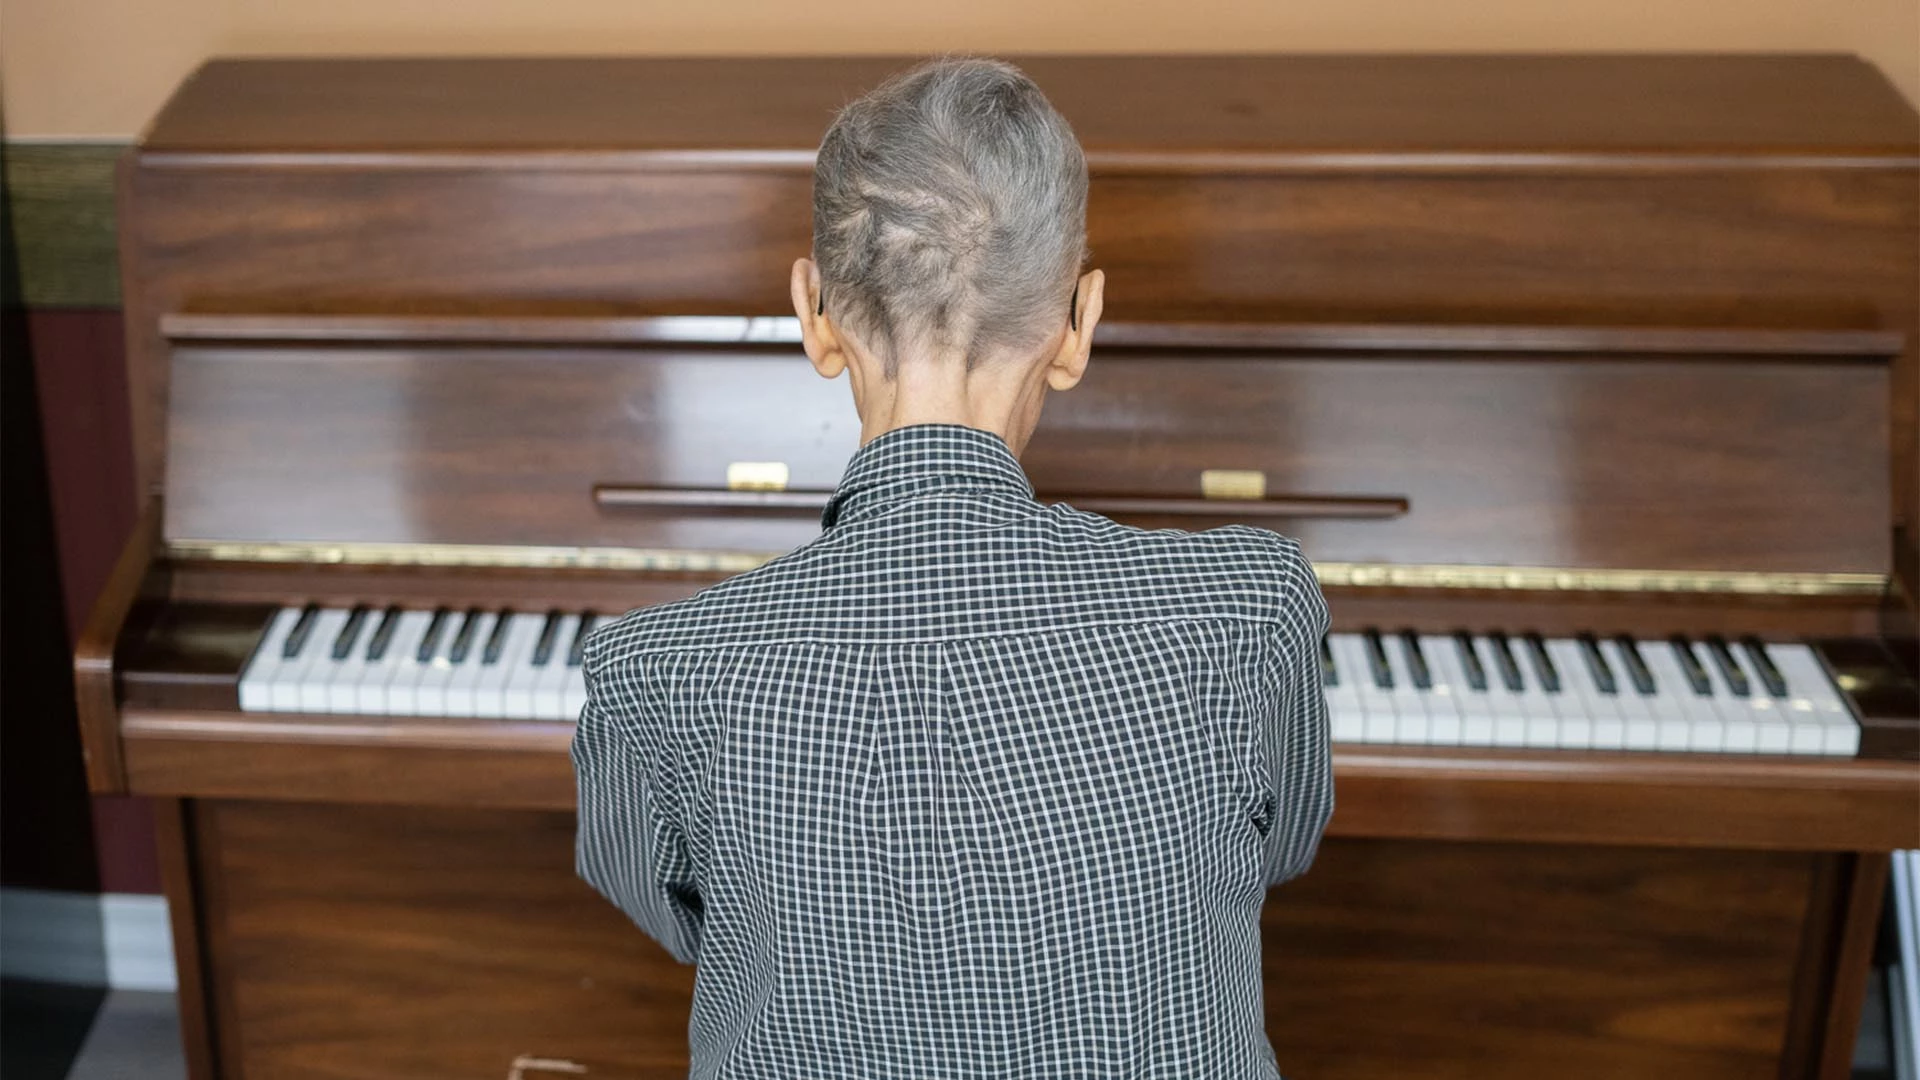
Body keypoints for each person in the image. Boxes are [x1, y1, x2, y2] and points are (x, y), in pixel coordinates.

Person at [573, 56, 1332, 1078]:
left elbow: (694, 921)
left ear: (814, 314)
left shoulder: (654, 670)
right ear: (1078, 325)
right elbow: (1271, 854)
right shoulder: (1250, 610)